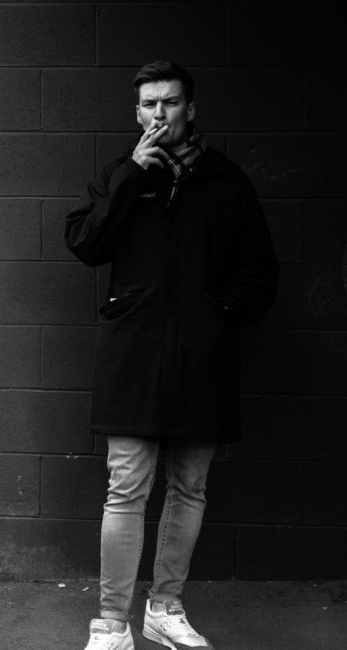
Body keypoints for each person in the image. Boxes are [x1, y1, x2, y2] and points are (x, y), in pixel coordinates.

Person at [66, 61, 279, 650]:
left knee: (189, 487)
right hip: (133, 356)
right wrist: (132, 177)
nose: (160, 114)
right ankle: (111, 624)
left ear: (191, 108)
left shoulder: (226, 180)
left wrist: (220, 315)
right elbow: (85, 243)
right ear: (136, 113)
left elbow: (260, 270)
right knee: (126, 487)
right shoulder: (118, 174)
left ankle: (165, 608)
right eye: (149, 104)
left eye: (171, 102)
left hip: (202, 357)